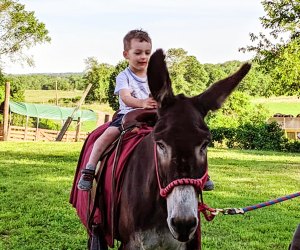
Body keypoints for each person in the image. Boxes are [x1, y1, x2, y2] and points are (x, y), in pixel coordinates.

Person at [77, 29, 157, 191]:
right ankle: (90, 168)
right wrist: (142, 103)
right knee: (107, 134)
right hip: (129, 115)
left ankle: (197, 172)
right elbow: (126, 97)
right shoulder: (124, 76)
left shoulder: (154, 75)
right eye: (138, 52)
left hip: (154, 115)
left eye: (147, 53)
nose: (143, 57)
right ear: (126, 54)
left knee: (181, 132)